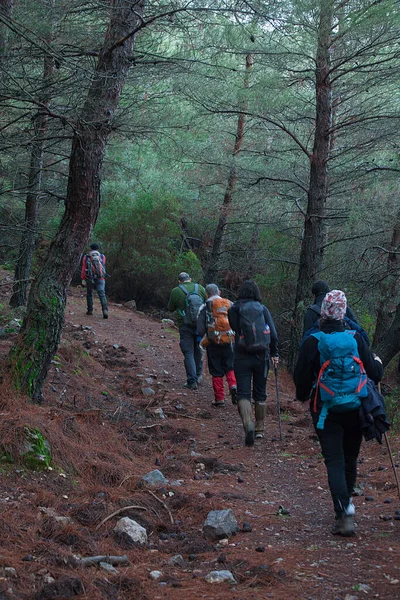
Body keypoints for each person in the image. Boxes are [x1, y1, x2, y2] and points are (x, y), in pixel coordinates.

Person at [294, 290, 383, 537]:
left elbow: (300, 378)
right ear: (344, 310)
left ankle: (343, 512)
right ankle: (347, 507)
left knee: (334, 460)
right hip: (356, 409)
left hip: (325, 410)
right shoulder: (355, 337)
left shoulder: (313, 339)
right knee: (350, 458)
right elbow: (375, 373)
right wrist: (377, 362)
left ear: (323, 309)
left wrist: (304, 396)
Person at [228, 280, 279, 446]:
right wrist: (274, 353)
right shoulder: (262, 309)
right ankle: (259, 429)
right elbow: (272, 333)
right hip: (261, 356)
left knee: (243, 392)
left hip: (241, 354)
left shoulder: (234, 309)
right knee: (260, 392)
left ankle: (247, 423)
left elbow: (235, 328)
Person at [197, 284, 237, 407]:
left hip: (213, 341)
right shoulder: (229, 304)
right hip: (229, 340)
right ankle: (233, 385)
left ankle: (219, 399)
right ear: (218, 292)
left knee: (216, 370)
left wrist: (207, 338)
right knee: (230, 366)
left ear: (207, 294)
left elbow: (200, 328)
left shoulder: (205, 306)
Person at [168, 272, 206, 390]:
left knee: (188, 352)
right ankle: (199, 375)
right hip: (200, 325)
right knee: (199, 349)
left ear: (179, 281)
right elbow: (206, 304)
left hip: (185, 325)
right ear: (190, 279)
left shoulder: (176, 290)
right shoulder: (200, 288)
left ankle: (191, 381)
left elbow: (170, 308)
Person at [81, 243, 108, 319]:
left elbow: (84, 267)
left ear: (90, 248)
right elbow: (103, 266)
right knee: (102, 294)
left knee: (89, 293)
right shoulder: (102, 256)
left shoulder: (86, 257)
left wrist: (83, 278)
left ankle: (90, 310)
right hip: (101, 278)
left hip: (89, 278)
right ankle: (105, 310)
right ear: (98, 248)